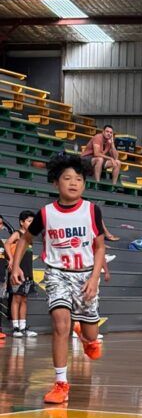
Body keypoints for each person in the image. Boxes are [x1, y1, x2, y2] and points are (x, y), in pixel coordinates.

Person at [10, 154, 106, 404]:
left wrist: (95, 277)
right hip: (57, 274)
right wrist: (15, 265)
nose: (73, 182)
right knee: (61, 325)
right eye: (67, 178)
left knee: (93, 337)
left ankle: (86, 337)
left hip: (85, 275)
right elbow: (25, 239)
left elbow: (100, 247)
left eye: (79, 179)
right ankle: (61, 384)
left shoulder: (91, 210)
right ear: (56, 182)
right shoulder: (46, 213)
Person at [5, 210, 39, 338]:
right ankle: (16, 328)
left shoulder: (29, 237)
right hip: (17, 272)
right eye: (29, 221)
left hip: (27, 272)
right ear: (21, 222)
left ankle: (23, 327)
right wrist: (12, 260)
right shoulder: (17, 234)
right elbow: (7, 244)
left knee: (24, 299)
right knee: (16, 299)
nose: (31, 224)